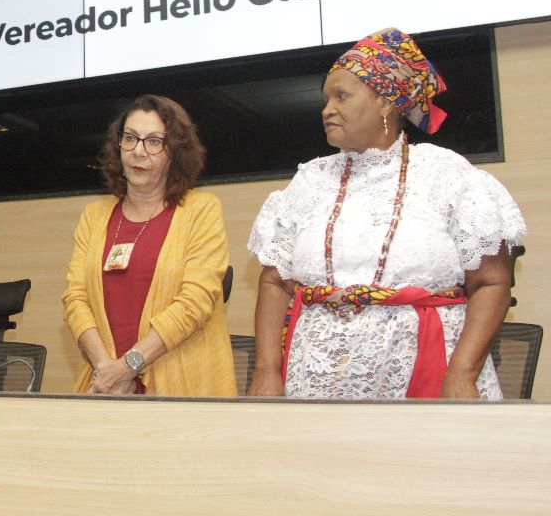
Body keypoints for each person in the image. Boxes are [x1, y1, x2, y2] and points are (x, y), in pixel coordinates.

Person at [247, 28, 526, 400]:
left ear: (385, 101)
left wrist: (462, 373)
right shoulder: (310, 180)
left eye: (341, 96)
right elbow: (274, 282)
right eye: (326, 98)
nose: (327, 109)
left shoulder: (446, 173)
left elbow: (491, 282)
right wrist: (267, 372)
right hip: (316, 380)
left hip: (430, 374)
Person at [63, 95, 237, 396]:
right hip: (105, 387)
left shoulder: (202, 210)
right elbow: (76, 299)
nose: (138, 152)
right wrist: (106, 371)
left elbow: (195, 301)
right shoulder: (95, 216)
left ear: (175, 152)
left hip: (182, 389)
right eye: (130, 138)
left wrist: (126, 368)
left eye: (154, 142)